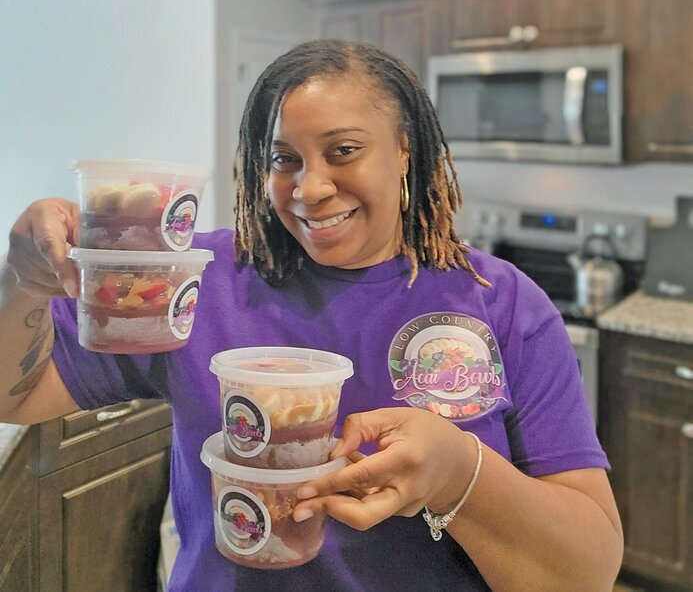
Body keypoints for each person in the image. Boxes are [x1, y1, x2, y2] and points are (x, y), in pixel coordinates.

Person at [1, 40, 623, 592]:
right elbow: (15, 395)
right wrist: (24, 282)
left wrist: (460, 476)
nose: (309, 188)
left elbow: (586, 573)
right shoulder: (193, 281)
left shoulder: (501, 302)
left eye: (343, 150)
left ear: (405, 152)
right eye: (283, 159)